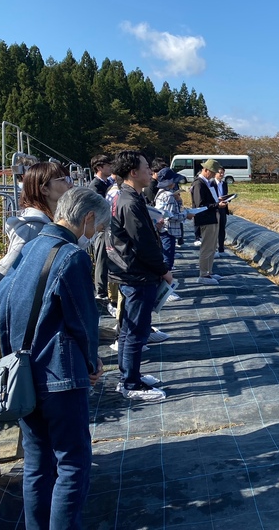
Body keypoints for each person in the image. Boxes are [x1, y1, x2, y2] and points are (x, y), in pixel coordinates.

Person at [0, 187, 110, 530]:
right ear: (87, 219)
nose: (96, 236)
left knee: (37, 463)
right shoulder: (71, 256)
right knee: (73, 462)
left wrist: (11, 358)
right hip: (60, 374)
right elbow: (82, 319)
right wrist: (92, 362)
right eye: (98, 228)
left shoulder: (26, 249)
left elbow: (5, 309)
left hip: (24, 372)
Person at [107, 151, 172, 400]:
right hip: (137, 274)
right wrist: (163, 270)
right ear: (133, 172)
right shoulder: (130, 202)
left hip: (130, 272)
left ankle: (129, 374)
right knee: (136, 330)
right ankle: (130, 383)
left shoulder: (126, 197)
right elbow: (143, 244)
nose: (150, 172)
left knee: (128, 328)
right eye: (146, 167)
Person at [0, 162, 73, 281]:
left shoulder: (50, 220)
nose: (70, 185)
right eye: (63, 179)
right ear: (44, 189)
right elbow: (5, 272)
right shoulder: (32, 227)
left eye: (69, 179)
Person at [191, 159, 228, 285]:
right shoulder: (198, 184)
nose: (214, 175)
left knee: (212, 247)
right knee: (206, 247)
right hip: (206, 219)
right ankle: (203, 274)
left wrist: (217, 202)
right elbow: (200, 204)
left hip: (212, 217)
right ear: (205, 170)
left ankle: (209, 271)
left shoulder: (207, 183)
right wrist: (217, 205)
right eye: (212, 172)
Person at [153, 167, 192, 279]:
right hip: (169, 230)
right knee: (168, 260)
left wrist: (179, 201)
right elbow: (170, 216)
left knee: (165, 257)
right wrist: (186, 215)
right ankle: (165, 289)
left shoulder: (161, 193)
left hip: (162, 229)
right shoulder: (169, 196)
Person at [88, 155, 113, 301]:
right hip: (101, 226)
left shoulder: (105, 183)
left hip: (106, 225)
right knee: (102, 258)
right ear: (99, 167)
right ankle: (100, 291)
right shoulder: (96, 186)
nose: (110, 167)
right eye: (107, 165)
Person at [213, 166, 231, 257]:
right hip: (215, 208)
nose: (222, 174)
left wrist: (228, 198)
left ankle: (221, 249)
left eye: (223, 173)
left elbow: (225, 194)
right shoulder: (211, 183)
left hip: (223, 208)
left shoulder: (224, 184)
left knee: (222, 228)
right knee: (214, 229)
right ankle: (214, 249)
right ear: (215, 173)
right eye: (220, 172)